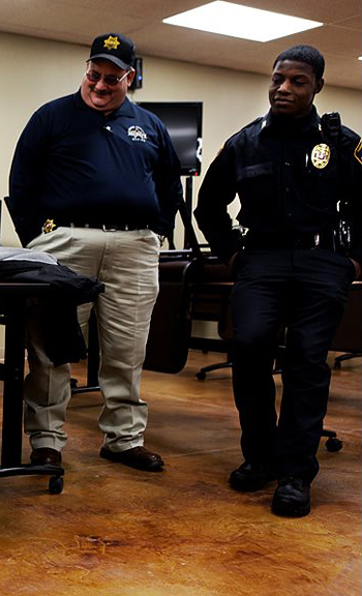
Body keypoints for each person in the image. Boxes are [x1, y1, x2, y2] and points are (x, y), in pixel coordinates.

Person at [195, 45, 361, 518]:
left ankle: (295, 472)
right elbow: (209, 205)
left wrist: (354, 262)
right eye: (277, 79)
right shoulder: (245, 143)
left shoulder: (343, 143)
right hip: (261, 260)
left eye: (297, 81)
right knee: (248, 349)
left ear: (318, 86)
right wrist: (232, 254)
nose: (283, 88)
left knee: (307, 361)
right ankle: (261, 456)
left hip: (321, 261)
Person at [7, 33, 182, 473]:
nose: (100, 85)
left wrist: (158, 232)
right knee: (52, 347)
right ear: (86, 70)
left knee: (127, 348)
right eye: (94, 74)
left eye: (112, 78)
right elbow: (22, 182)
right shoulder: (51, 117)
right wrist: (36, 243)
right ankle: (47, 439)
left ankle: (124, 439)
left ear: (130, 77)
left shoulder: (149, 125)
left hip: (135, 248)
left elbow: (169, 185)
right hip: (66, 243)